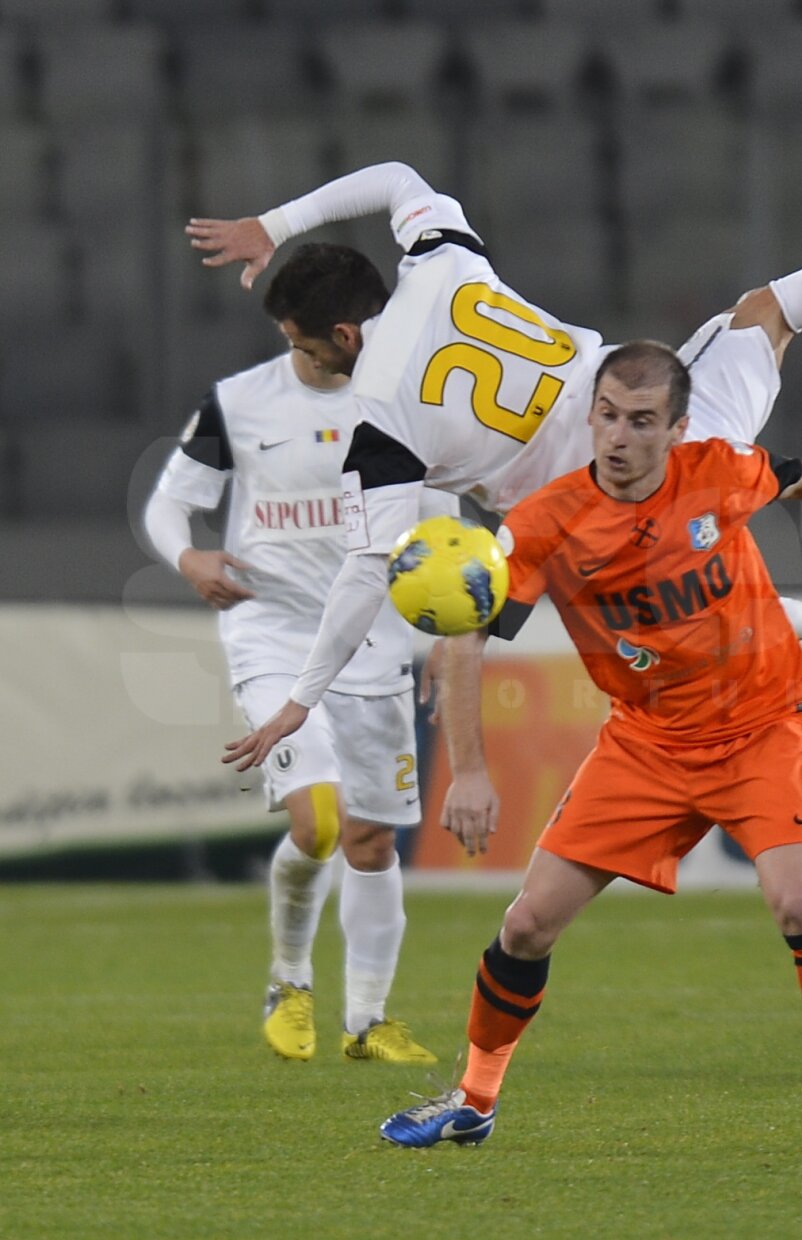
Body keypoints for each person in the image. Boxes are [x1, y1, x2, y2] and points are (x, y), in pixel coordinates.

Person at [200, 124, 802, 770]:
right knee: (771, 311)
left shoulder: (380, 423)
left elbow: (362, 571)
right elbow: (394, 180)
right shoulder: (440, 262)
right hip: (662, 419)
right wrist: (274, 223)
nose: (304, 366)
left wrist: (303, 699)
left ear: (342, 334)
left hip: (599, 511)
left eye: (305, 350)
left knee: (634, 625)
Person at [376, 341, 802, 1154]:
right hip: (647, 744)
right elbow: (466, 633)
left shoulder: (718, 470)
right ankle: (473, 1099)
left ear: (676, 429)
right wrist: (467, 768)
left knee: (799, 904)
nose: (618, 436)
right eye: (606, 415)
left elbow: (794, 472)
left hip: (761, 724)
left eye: (641, 421)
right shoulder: (548, 521)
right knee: (528, 924)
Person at [144, 243, 457, 1066]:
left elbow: (444, 539)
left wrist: (440, 638)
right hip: (272, 632)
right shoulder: (240, 402)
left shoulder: (412, 406)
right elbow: (170, 506)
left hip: (375, 643)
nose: (294, 352)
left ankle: (367, 1020)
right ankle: (288, 980)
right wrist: (188, 558)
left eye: (302, 338)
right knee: (317, 821)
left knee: (371, 843)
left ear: (346, 335)